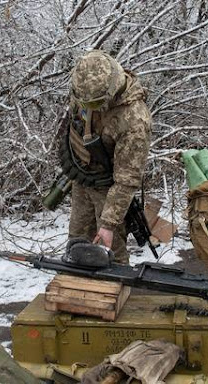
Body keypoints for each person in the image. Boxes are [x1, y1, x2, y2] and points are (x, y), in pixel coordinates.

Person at [60, 50, 152, 265]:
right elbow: (76, 123)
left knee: (108, 250)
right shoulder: (85, 91)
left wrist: (109, 223)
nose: (86, 107)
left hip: (110, 189)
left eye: (93, 104)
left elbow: (126, 180)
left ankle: (113, 291)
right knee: (78, 241)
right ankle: (79, 288)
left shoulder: (134, 120)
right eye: (82, 102)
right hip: (83, 178)